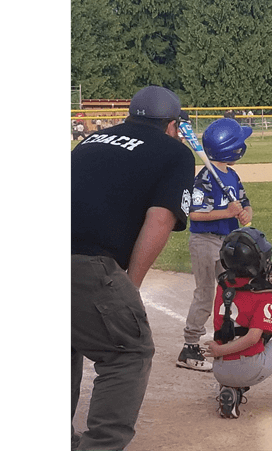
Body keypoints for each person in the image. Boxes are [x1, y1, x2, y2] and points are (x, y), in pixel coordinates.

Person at [70, 85, 195, 451]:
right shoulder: (174, 152)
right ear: (171, 125)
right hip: (90, 265)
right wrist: (130, 284)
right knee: (128, 351)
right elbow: (160, 219)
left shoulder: (89, 142)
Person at [205, 227, 272, 419]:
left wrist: (219, 352)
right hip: (248, 368)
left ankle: (231, 391)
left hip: (220, 369)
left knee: (235, 332)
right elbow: (253, 338)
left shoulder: (222, 285)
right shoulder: (265, 295)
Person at [178, 118, 254, 372]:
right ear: (232, 149)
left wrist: (245, 213)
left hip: (227, 242)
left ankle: (226, 338)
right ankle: (190, 346)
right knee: (205, 293)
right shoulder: (205, 179)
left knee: (230, 291)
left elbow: (244, 201)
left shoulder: (231, 175)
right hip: (205, 241)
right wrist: (227, 212)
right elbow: (195, 214)